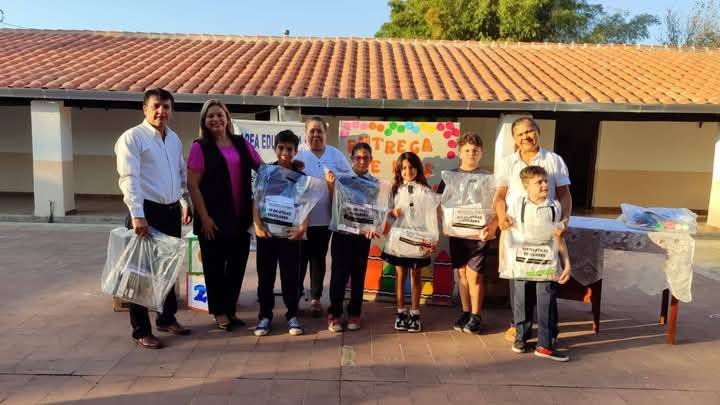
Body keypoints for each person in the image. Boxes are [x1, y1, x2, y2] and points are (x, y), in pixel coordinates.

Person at [115, 88, 192, 349]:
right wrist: (137, 215)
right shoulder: (132, 139)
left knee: (167, 268)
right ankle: (141, 330)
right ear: (145, 108)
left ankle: (166, 318)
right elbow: (129, 179)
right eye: (156, 106)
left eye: (167, 107)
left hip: (170, 210)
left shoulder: (174, 139)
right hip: (146, 212)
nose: (162, 112)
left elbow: (180, 174)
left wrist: (183, 201)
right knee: (141, 274)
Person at [493, 116, 572, 342]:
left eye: (530, 131)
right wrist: (500, 215)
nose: (526, 137)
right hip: (516, 231)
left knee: (546, 282)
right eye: (520, 134)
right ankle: (520, 329)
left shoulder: (554, 160)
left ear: (537, 131)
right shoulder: (508, 162)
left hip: (546, 230)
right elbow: (499, 197)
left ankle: (548, 335)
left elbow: (565, 194)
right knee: (519, 283)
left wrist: (564, 221)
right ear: (515, 140)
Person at [186, 99, 262, 331]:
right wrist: (205, 217)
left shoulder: (241, 143)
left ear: (228, 118)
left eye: (220, 115)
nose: (216, 119)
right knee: (214, 267)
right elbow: (192, 184)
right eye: (210, 116)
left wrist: (288, 169)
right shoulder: (200, 146)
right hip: (213, 220)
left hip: (240, 217)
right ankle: (219, 312)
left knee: (237, 266)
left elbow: (263, 168)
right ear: (204, 121)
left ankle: (230, 309)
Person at [502, 166, 571, 361]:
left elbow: (558, 237)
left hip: (546, 264)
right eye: (538, 182)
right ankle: (521, 337)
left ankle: (545, 343)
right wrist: (505, 262)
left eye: (545, 181)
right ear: (526, 186)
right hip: (522, 262)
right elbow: (507, 233)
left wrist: (567, 263)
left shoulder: (554, 207)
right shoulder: (516, 204)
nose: (544, 185)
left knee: (546, 302)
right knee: (521, 301)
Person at [437, 133, 498, 334]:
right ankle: (465, 312)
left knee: (474, 275)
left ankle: (476, 315)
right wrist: (445, 225)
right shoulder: (450, 176)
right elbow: (442, 204)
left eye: (476, 151)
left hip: (478, 234)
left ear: (481, 153)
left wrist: (491, 226)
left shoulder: (488, 178)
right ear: (459, 153)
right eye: (467, 150)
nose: (471, 153)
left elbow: (494, 205)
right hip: (457, 233)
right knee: (461, 273)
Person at [252, 130, 308, 337]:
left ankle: (292, 315)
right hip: (267, 234)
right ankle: (265, 317)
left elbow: (305, 206)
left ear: (295, 151)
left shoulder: (301, 177)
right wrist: (257, 225)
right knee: (265, 277)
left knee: (291, 278)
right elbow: (256, 200)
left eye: (290, 149)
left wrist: (302, 228)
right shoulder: (265, 172)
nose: (285, 152)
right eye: (281, 148)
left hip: (290, 235)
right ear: (275, 149)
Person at [295, 116, 352, 316]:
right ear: (306, 134)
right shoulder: (299, 157)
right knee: (299, 259)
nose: (316, 135)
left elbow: (350, 182)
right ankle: (295, 297)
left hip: (326, 219)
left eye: (319, 131)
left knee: (318, 259)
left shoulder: (336, 156)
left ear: (326, 134)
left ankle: (316, 298)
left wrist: (334, 183)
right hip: (301, 221)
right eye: (312, 131)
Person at [327, 142, 381, 333]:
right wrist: (331, 184)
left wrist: (373, 226)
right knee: (338, 276)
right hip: (342, 234)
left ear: (371, 160)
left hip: (362, 237)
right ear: (351, 159)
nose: (361, 161)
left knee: (358, 276)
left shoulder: (375, 185)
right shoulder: (342, 180)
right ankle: (334, 314)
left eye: (365, 157)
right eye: (357, 157)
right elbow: (335, 204)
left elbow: (376, 210)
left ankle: (354, 313)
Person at [382, 152, 439, 333]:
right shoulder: (395, 189)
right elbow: (386, 211)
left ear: (418, 168)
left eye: (411, 167)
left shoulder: (426, 192)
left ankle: (415, 313)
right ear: (399, 170)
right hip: (399, 240)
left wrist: (433, 239)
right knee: (400, 276)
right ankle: (400, 312)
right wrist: (393, 213)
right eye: (404, 168)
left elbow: (431, 218)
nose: (408, 171)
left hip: (418, 241)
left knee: (416, 276)